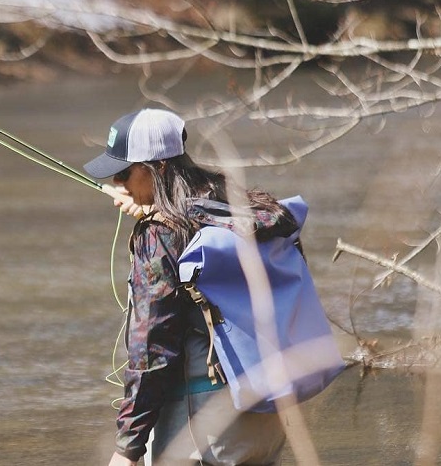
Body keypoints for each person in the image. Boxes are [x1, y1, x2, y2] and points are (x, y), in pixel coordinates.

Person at [84, 109, 291, 466]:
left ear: (160, 167)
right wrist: (155, 205)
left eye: (124, 173)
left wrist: (128, 448)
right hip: (265, 411)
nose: (117, 184)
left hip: (203, 427)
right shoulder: (233, 204)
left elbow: (152, 349)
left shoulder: (162, 235)